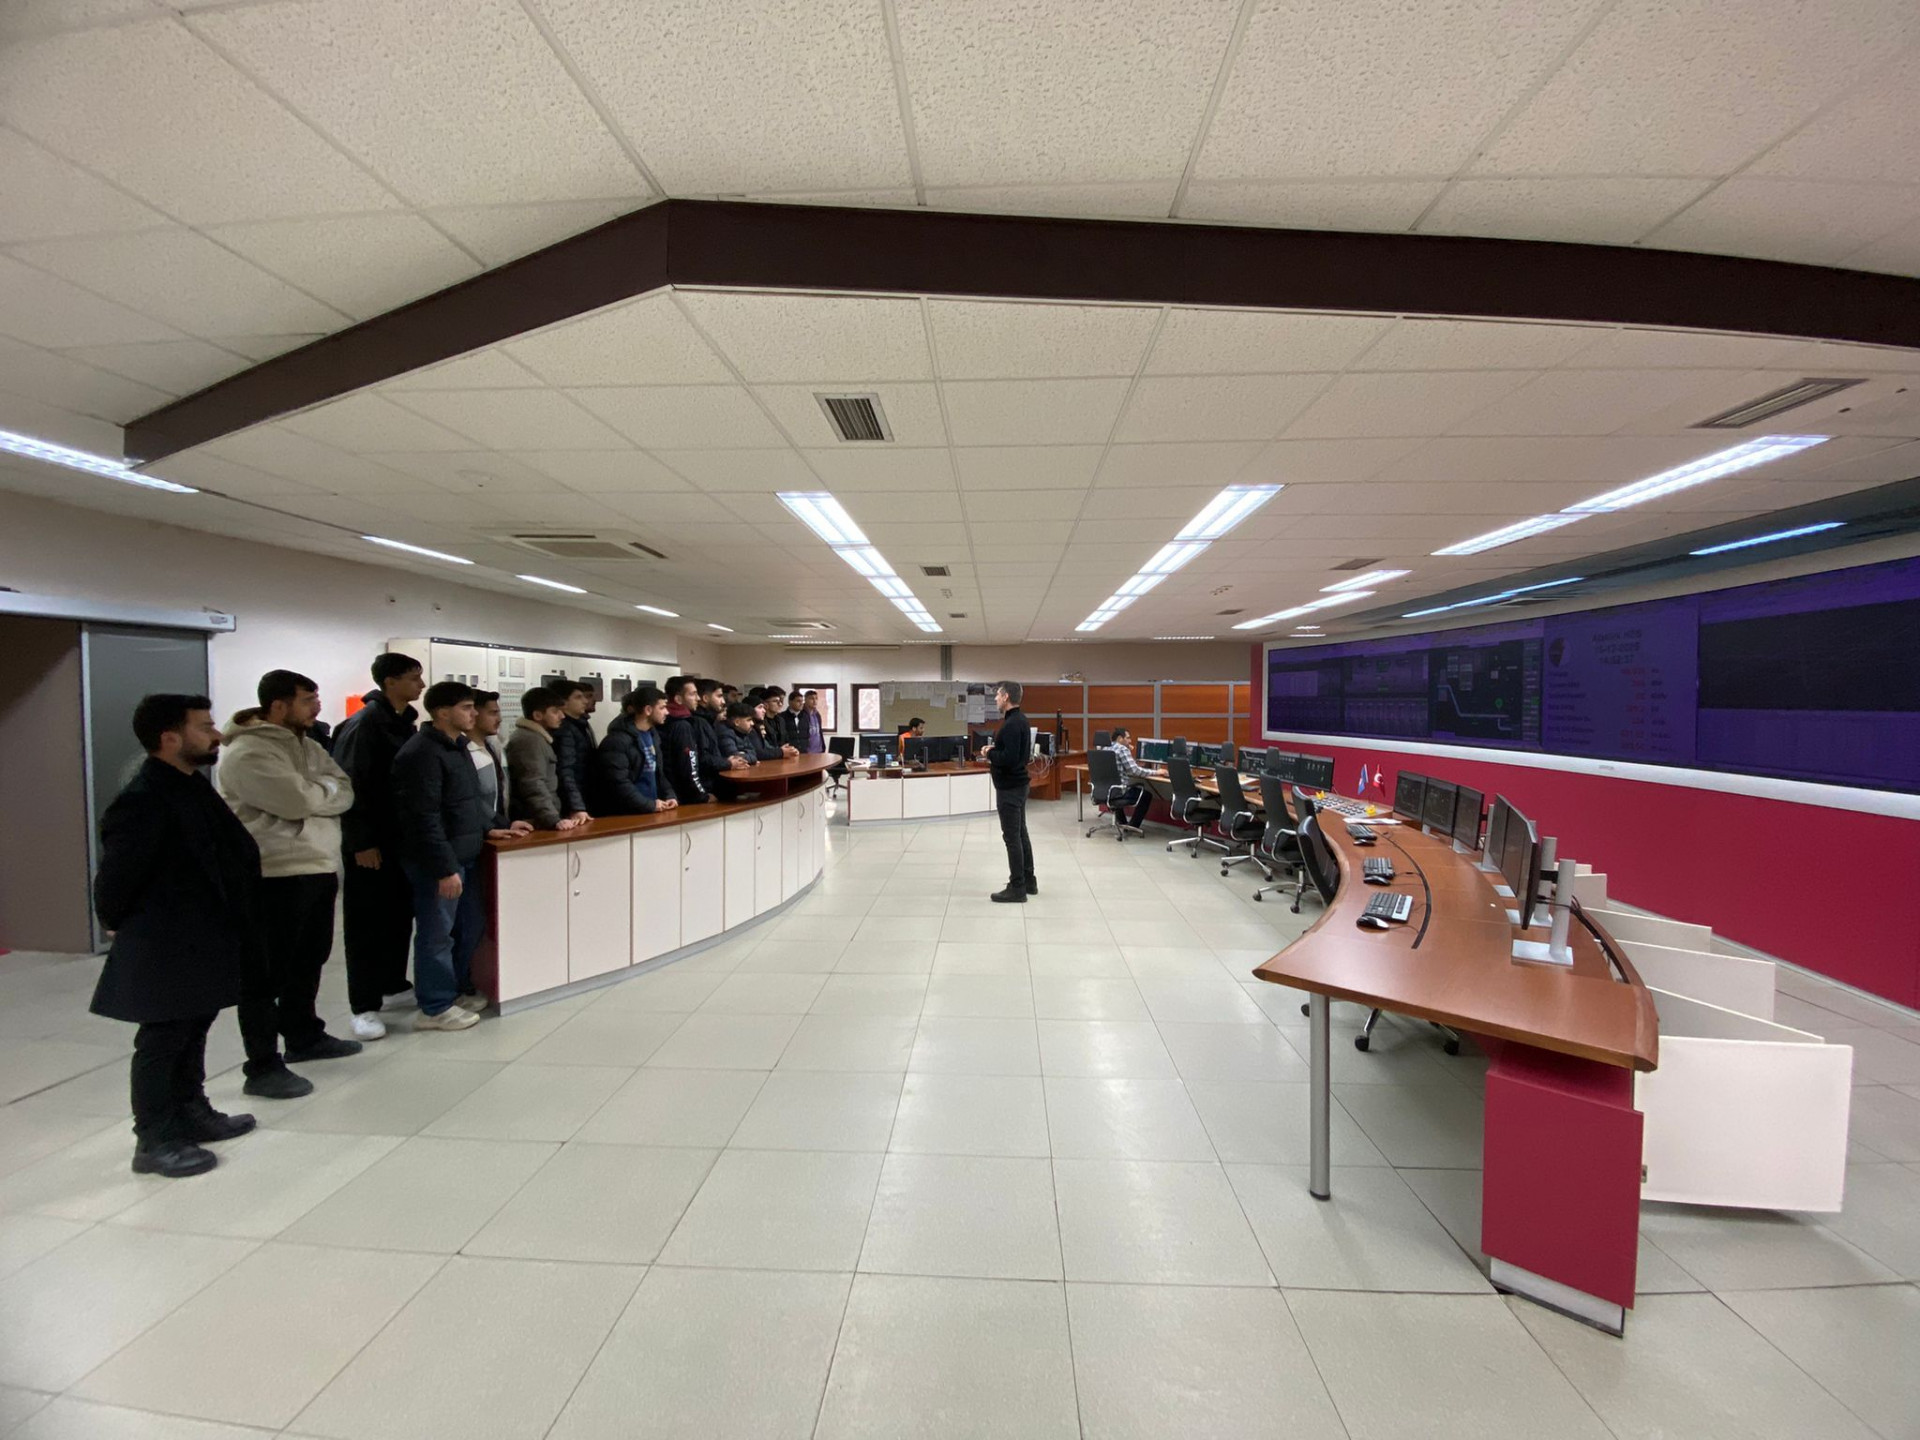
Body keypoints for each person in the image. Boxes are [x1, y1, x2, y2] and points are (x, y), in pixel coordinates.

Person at [91, 695, 260, 1178]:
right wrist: (114, 918)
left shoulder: (190, 785)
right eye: (204, 727)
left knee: (194, 1026)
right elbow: (117, 875)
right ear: (169, 738)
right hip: (165, 936)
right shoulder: (143, 798)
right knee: (163, 1037)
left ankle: (191, 1110)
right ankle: (155, 1137)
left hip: (203, 932)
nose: (217, 734)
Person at [218, 669, 360, 1098]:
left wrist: (316, 793)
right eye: (307, 700)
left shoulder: (308, 744)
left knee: (309, 959)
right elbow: (296, 800)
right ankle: (262, 1065)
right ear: (279, 705)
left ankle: (304, 1036)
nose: (317, 707)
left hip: (318, 866)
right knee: (266, 974)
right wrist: (318, 793)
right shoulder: (248, 752)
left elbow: (345, 790)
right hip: (275, 873)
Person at [391, 682, 529, 1031]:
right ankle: (434, 1007)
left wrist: (493, 827)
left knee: (468, 927)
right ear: (442, 712)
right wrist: (444, 868)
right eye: (466, 708)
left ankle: (454, 990)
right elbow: (424, 818)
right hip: (438, 862)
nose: (474, 713)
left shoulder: (458, 747)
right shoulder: (421, 753)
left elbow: (467, 803)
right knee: (437, 933)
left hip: (464, 854)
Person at [332, 651, 424, 1042]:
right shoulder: (365, 724)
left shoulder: (403, 722)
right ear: (390, 682)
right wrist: (361, 842)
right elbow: (352, 786)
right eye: (413, 678)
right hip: (371, 842)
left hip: (400, 839)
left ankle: (392, 983)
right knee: (367, 924)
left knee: (398, 915)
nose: (421, 685)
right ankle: (364, 1005)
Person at [504, 686, 584, 831]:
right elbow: (533, 784)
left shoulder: (537, 738)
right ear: (537, 715)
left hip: (541, 818)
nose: (562, 716)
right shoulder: (529, 740)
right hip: (534, 821)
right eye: (555, 711)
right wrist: (553, 819)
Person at [984, 680, 1036, 902]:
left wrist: (989, 753)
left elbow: (1010, 758)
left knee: (1012, 838)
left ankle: (1017, 887)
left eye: (998, 695)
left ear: (1006, 697)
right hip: (1018, 785)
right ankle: (1028, 880)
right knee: (1020, 833)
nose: (996, 699)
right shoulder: (1019, 720)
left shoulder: (1012, 724)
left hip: (1010, 788)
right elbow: (1016, 754)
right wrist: (996, 750)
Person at [594, 685, 679, 814]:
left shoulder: (653, 735)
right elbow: (619, 783)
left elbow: (659, 773)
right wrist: (648, 804)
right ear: (648, 710)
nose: (667, 712)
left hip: (651, 808)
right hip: (627, 814)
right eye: (662, 708)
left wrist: (669, 795)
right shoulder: (617, 741)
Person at [550, 679, 595, 827]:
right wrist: (576, 806)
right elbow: (565, 770)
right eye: (578, 697)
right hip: (574, 800)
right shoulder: (565, 731)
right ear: (564, 703)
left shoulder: (580, 725)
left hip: (584, 793)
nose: (585, 701)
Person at [659, 675, 711, 804]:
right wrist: (702, 796)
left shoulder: (664, 721)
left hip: (669, 793)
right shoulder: (682, 726)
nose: (698, 698)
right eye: (692, 694)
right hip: (683, 797)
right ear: (678, 699)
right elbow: (688, 767)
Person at [464, 689, 511, 832]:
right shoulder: (465, 752)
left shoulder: (494, 747)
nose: (499, 719)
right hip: (480, 830)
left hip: (500, 825)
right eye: (492, 713)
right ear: (474, 714)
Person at [1105, 727, 1155, 832]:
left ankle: (1123, 823)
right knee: (1146, 795)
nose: (1130, 741)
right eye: (1127, 738)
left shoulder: (1105, 748)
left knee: (1117, 792)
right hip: (1120, 791)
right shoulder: (1122, 749)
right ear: (1120, 738)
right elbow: (1134, 770)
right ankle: (1133, 826)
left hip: (1107, 790)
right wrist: (1156, 772)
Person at [795, 689, 826, 754]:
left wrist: (823, 747)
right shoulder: (800, 714)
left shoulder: (817, 714)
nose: (814, 701)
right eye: (811, 698)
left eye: (816, 698)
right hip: (806, 752)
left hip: (819, 751)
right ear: (805, 700)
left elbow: (820, 732)